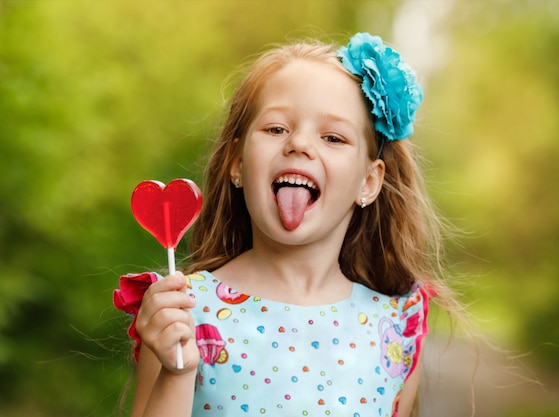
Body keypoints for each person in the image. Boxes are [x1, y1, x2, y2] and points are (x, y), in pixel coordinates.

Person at [114, 32, 460, 417]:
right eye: (277, 128)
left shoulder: (394, 327)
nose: (299, 144)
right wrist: (177, 373)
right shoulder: (182, 310)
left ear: (369, 182)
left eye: (333, 137)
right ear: (238, 163)